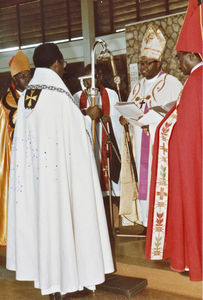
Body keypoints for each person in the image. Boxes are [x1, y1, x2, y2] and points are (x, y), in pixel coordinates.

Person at [6, 43, 114, 299]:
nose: (63, 68)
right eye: (63, 63)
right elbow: (76, 134)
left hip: (38, 182)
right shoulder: (57, 94)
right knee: (63, 223)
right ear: (57, 63)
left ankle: (51, 282)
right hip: (58, 181)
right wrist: (90, 116)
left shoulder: (29, 96)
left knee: (46, 226)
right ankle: (66, 284)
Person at [146, 0, 202, 281]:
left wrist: (163, 132)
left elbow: (187, 133)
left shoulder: (195, 82)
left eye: (181, 56)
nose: (178, 61)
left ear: (193, 54)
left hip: (191, 164)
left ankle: (194, 262)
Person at [119, 25, 183, 230]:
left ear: (159, 62)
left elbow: (175, 112)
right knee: (144, 181)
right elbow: (130, 109)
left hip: (160, 145)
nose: (143, 67)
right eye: (141, 63)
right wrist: (125, 119)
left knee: (161, 180)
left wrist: (149, 117)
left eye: (147, 63)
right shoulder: (137, 87)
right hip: (140, 145)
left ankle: (166, 223)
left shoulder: (171, 83)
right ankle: (148, 222)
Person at [73, 64, 121, 231]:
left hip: (107, 143)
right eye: (86, 78)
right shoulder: (76, 97)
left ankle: (114, 223)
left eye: (92, 78)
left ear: (100, 77)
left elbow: (118, 119)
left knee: (111, 190)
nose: (89, 82)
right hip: (89, 145)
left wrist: (108, 118)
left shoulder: (111, 94)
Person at [0, 50, 31, 246]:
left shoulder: (33, 95)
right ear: (14, 78)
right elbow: (11, 126)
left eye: (28, 75)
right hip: (13, 156)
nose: (27, 79)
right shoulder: (7, 102)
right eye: (22, 76)